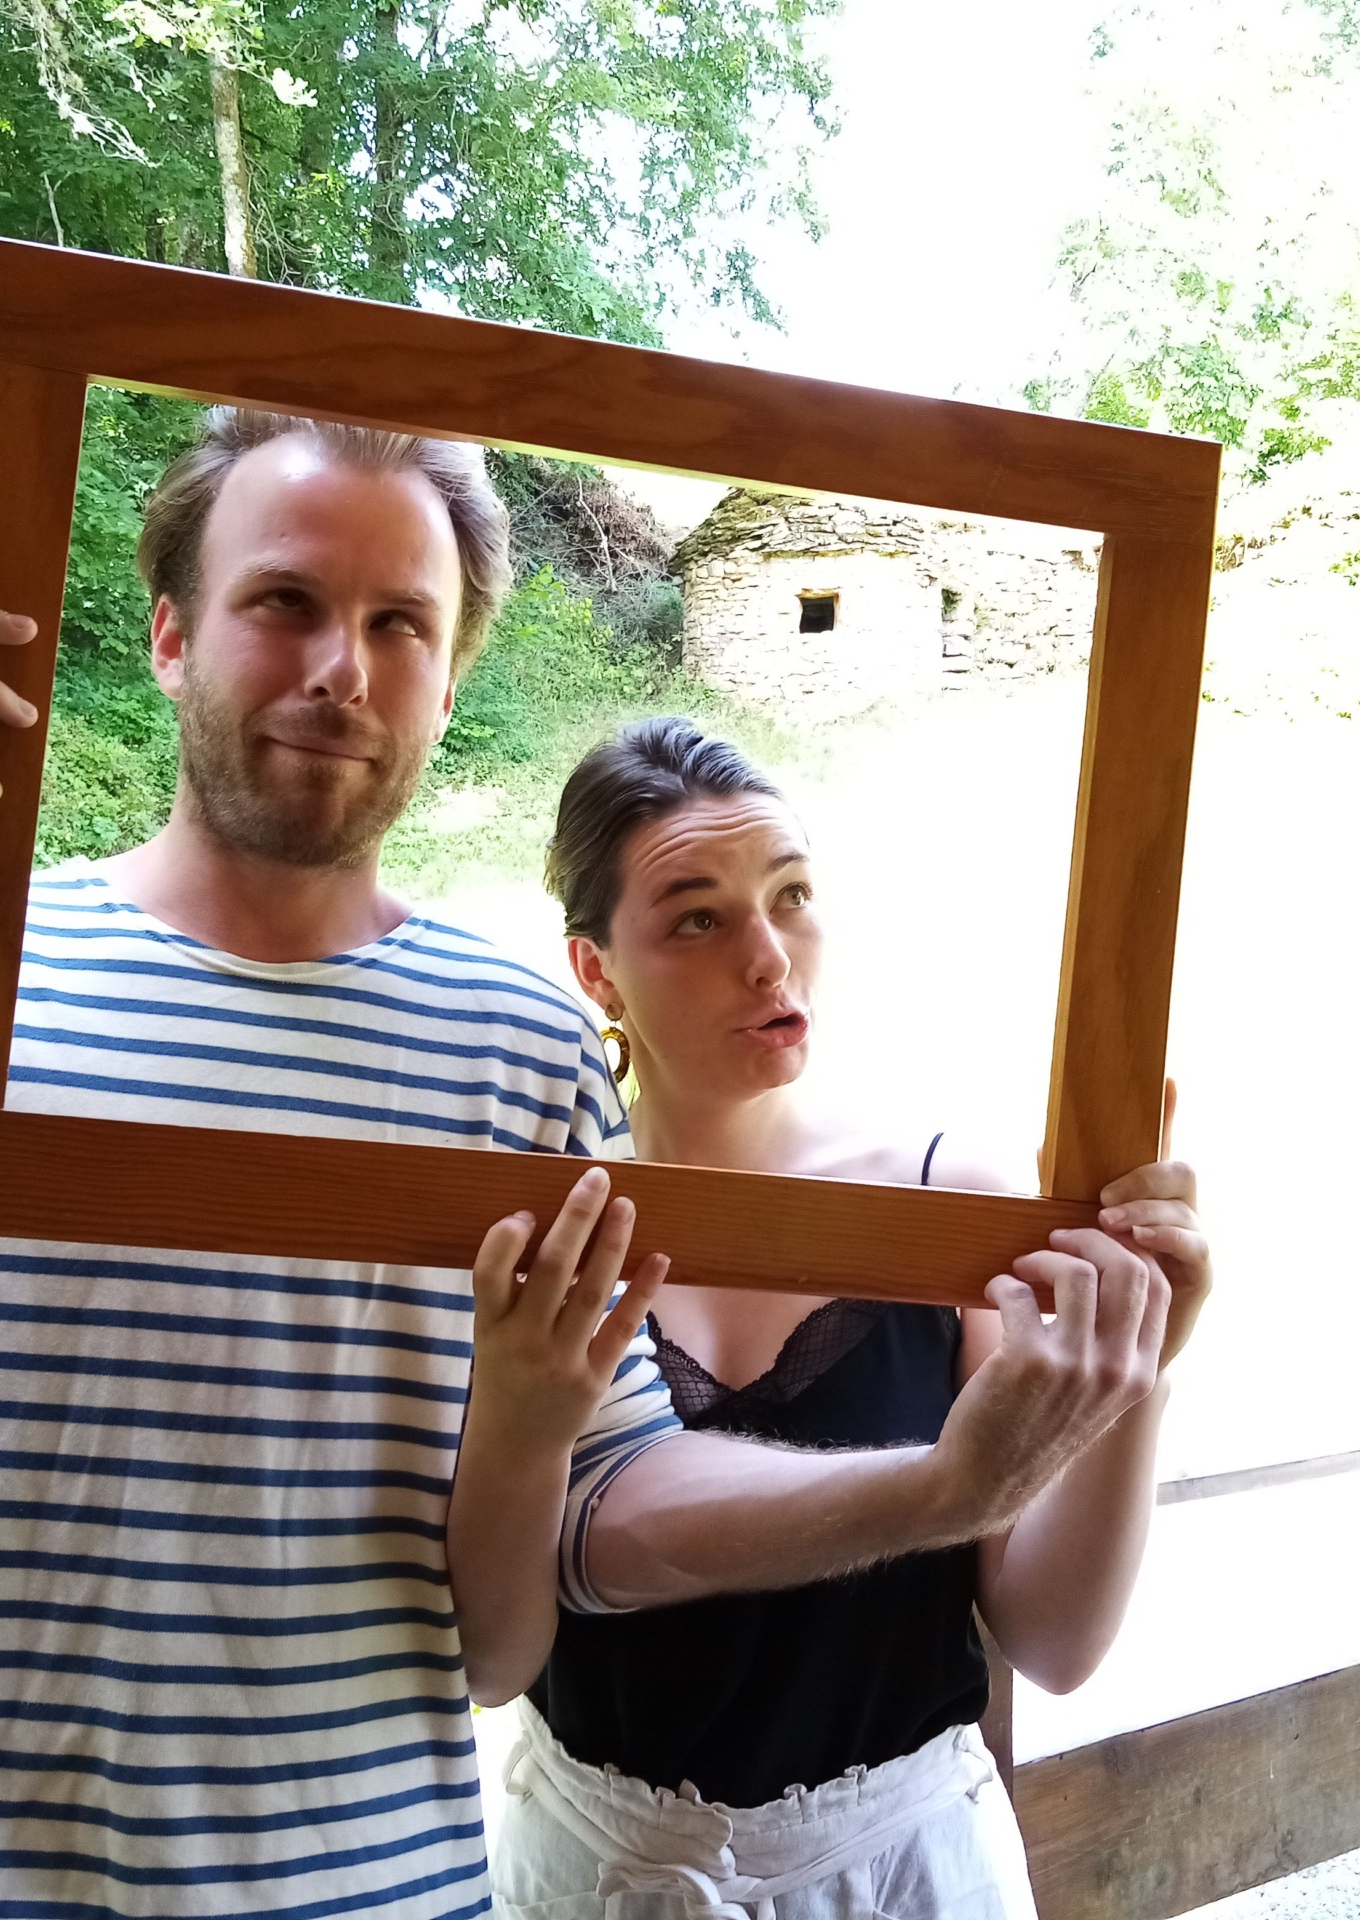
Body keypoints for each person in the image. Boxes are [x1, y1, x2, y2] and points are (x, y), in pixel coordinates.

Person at [0, 408, 1165, 1920]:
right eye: (284, 600)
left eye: (399, 623)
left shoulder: (520, 1049)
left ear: (448, 681)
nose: (341, 669)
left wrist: (948, 1492)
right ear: (169, 634)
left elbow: (598, 1517)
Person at [456, 717, 1213, 1920]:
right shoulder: (548, 1236)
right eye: (697, 919)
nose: (770, 959)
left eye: (791, 896)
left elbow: (1056, 1643)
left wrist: (1135, 1372)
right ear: (595, 970)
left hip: (905, 1874)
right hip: (597, 1875)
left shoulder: (950, 1210)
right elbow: (498, 1653)